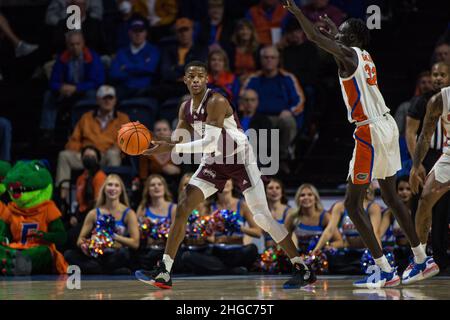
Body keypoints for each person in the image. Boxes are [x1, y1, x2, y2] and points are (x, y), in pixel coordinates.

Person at [282, 0, 429, 288]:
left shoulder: (348, 55)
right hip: (385, 125)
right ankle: (422, 257)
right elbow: (344, 41)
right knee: (390, 197)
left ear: (351, 39)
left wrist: (299, 12)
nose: (337, 36)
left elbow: (313, 37)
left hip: (369, 130)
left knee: (351, 203)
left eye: (342, 33)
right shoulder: (363, 55)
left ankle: (384, 270)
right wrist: (338, 29)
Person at [135, 60, 316, 289]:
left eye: (200, 75)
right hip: (215, 161)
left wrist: (171, 147)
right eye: (191, 76)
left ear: (207, 79)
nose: (196, 80)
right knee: (183, 205)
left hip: (240, 159)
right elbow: (179, 139)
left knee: (262, 217)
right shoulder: (185, 108)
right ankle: (164, 271)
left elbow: (208, 141)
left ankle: (303, 268)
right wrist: (156, 146)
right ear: (185, 80)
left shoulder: (217, 101)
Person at [406, 62, 450, 274]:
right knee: (424, 201)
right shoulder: (436, 100)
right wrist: (416, 166)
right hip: (444, 155)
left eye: (443, 74)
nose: (439, 78)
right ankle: (421, 260)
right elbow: (421, 135)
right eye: (436, 74)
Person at [55, 85, 130, 202]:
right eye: (104, 98)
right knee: (64, 156)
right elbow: (74, 139)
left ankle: (112, 197)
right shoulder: (86, 117)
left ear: (115, 100)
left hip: (105, 155)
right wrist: (84, 151)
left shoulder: (123, 118)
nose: (107, 101)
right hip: (86, 155)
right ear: (98, 100)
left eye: (110, 98)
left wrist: (116, 148)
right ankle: (63, 199)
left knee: (113, 154)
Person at [242, 45, 306, 174]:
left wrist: (290, 111)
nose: (269, 60)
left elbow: (300, 101)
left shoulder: (288, 78)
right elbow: (242, 98)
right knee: (255, 122)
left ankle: (283, 159)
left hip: (280, 117)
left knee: (288, 121)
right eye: (266, 57)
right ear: (261, 60)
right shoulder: (253, 79)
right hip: (258, 117)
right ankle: (254, 164)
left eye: (272, 57)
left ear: (278, 60)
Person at [182, 179, 262, 275]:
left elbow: (258, 232)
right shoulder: (209, 207)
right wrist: (212, 237)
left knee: (252, 249)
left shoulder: (242, 205)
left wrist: (238, 227)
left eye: (227, 179)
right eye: (222, 178)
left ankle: (217, 270)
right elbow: (206, 235)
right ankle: (232, 271)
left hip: (237, 251)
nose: (224, 182)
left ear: (232, 184)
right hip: (217, 252)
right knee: (187, 256)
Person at [64, 174, 140, 274]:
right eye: (110, 185)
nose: (113, 188)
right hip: (96, 256)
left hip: (115, 254)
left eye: (116, 185)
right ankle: (109, 271)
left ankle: (99, 270)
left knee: (124, 254)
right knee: (69, 254)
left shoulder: (129, 213)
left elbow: (135, 243)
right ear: (104, 189)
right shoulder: (94, 213)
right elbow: (80, 240)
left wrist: (113, 236)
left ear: (121, 190)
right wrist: (85, 246)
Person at [39, 30, 104, 138]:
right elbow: (53, 82)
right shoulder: (62, 58)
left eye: (78, 44)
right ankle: (47, 130)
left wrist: (77, 88)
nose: (75, 47)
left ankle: (83, 129)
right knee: (49, 95)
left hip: (84, 91)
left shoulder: (92, 57)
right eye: (72, 44)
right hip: (66, 92)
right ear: (67, 45)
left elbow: (98, 81)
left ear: (83, 44)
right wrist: (61, 87)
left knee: (92, 95)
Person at [313, 182, 381, 253]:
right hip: (348, 250)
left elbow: (375, 234)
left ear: (366, 188)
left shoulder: (373, 207)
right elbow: (330, 230)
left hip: (366, 251)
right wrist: (316, 250)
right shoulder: (340, 206)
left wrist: (379, 258)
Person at [109, 16, 160, 102]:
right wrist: (140, 70)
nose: (138, 34)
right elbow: (114, 73)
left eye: (141, 31)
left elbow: (150, 69)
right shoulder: (121, 52)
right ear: (129, 33)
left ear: (146, 33)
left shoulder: (153, 50)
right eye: (135, 31)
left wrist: (126, 68)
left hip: (145, 90)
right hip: (124, 90)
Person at [65, 145, 107, 249]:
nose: (89, 158)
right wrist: (74, 216)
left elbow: (97, 202)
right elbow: (79, 202)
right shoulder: (81, 178)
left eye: (92, 156)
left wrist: (82, 218)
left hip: (93, 217)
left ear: (98, 159)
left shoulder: (100, 176)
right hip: (80, 215)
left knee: (70, 236)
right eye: (86, 156)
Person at [285, 183, 343, 254]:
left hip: (319, 258)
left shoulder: (325, 216)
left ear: (315, 198)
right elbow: (284, 240)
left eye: (310, 195)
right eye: (302, 195)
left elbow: (339, 241)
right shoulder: (292, 216)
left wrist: (325, 247)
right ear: (298, 199)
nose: (306, 197)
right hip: (298, 258)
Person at [136, 174, 177, 270]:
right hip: (148, 250)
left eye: (159, 184)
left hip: (166, 252)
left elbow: (177, 233)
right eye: (152, 185)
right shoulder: (142, 209)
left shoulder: (173, 208)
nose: (156, 187)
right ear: (148, 189)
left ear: (164, 187)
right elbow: (137, 233)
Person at [138, 119, 181, 185]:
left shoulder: (178, 149)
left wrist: (178, 171)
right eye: (158, 130)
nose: (161, 132)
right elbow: (143, 176)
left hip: (175, 186)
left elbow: (186, 174)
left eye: (165, 129)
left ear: (171, 132)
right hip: (152, 187)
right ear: (153, 133)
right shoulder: (146, 151)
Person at [225, 19, 261, 83]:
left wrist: (249, 77)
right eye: (242, 29)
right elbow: (227, 69)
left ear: (252, 32)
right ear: (237, 32)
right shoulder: (231, 49)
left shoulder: (258, 49)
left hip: (255, 80)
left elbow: (262, 70)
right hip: (235, 81)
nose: (245, 32)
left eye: (248, 29)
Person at [264, 178, 291, 248]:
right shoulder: (261, 212)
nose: (274, 190)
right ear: (265, 192)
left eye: (277, 188)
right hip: (267, 254)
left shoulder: (289, 211)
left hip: (286, 253)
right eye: (270, 188)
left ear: (282, 192)